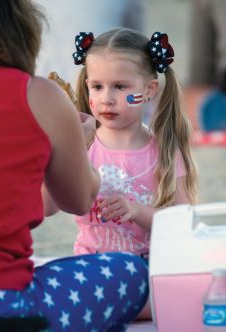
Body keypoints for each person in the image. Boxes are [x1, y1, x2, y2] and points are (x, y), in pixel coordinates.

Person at [0, 0, 149, 332]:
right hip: (1, 314)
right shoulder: (43, 97)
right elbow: (79, 199)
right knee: (131, 272)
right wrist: (77, 145)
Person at [73, 29, 198, 259]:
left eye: (120, 86)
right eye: (97, 87)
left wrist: (136, 211)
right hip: (91, 267)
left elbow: (182, 221)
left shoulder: (166, 151)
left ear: (149, 90)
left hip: (146, 268)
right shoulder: (82, 146)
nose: (106, 98)